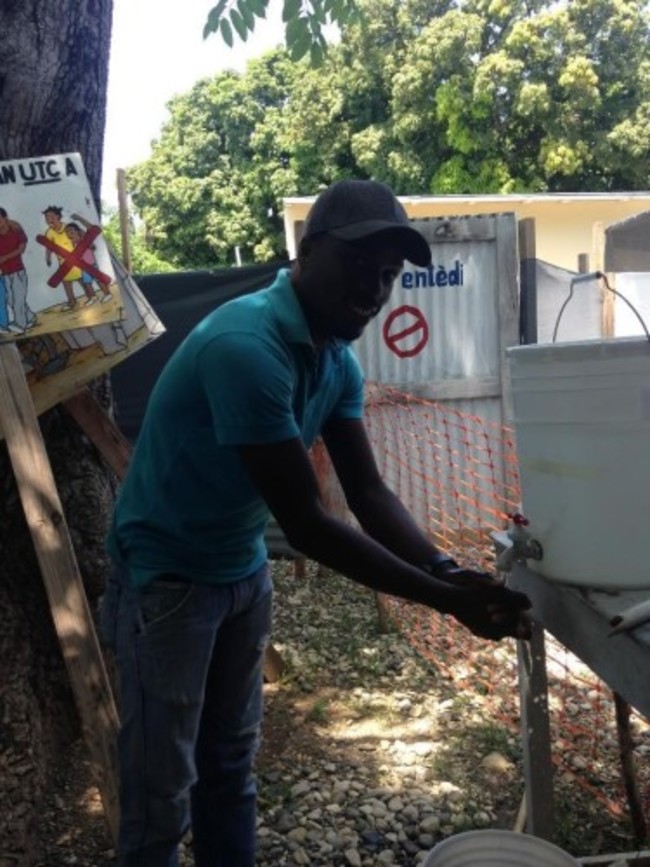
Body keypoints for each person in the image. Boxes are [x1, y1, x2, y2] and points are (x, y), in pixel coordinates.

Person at [102, 179, 531, 867]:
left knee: (231, 761)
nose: (373, 289)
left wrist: (447, 569)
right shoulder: (247, 346)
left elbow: (366, 488)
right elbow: (306, 523)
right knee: (161, 788)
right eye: (359, 265)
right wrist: (449, 603)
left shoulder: (334, 355)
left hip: (241, 565)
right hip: (168, 577)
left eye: (388, 274)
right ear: (308, 252)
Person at [0, 207, 36, 333]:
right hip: (5, 273)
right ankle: (30, 317)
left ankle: (21, 324)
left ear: (4, 217)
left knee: (18, 300)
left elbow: (21, 249)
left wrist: (5, 258)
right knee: (11, 299)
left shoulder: (15, 229)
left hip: (18, 271)